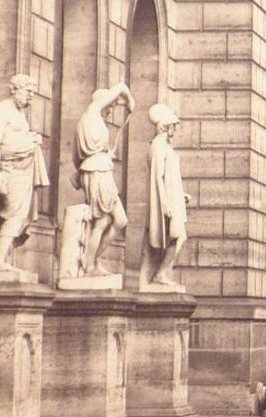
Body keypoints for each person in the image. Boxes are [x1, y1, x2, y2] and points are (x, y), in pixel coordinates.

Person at [0, 74, 50, 272]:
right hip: (10, 171)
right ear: (15, 89)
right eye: (28, 92)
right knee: (14, 214)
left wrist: (32, 138)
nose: (31, 97)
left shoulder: (20, 113)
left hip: (24, 172)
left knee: (18, 215)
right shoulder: (3, 109)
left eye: (33, 93)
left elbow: (15, 136)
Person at [74, 82, 135, 277]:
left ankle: (91, 260)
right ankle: (89, 267)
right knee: (100, 222)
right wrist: (129, 99)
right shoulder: (91, 113)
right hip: (97, 171)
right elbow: (120, 86)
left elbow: (77, 157)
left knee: (120, 220)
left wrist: (105, 155)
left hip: (102, 169)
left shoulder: (96, 122)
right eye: (110, 105)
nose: (111, 109)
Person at [143, 103, 189, 288]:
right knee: (176, 236)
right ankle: (159, 275)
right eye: (172, 126)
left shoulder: (165, 147)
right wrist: (165, 204)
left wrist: (180, 195)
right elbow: (157, 179)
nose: (175, 130)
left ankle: (159, 274)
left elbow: (169, 178)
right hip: (167, 201)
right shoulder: (157, 147)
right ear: (164, 126)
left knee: (178, 236)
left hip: (173, 199)